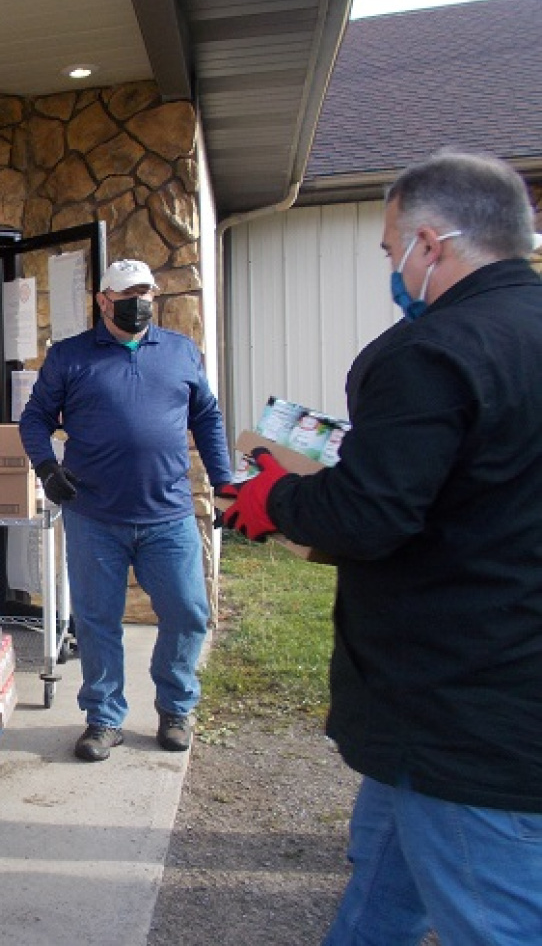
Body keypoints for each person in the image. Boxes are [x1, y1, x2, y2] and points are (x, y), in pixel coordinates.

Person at [222, 151, 542, 945]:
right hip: (480, 696)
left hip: (460, 709)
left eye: (391, 246)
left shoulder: (432, 350)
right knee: (381, 889)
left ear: (430, 244)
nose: (391, 265)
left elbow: (368, 514)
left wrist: (274, 497)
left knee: (493, 919)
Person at [19, 258, 232, 762]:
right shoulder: (70, 356)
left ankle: (176, 708)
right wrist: (47, 468)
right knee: (97, 621)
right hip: (94, 515)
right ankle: (104, 717)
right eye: (126, 295)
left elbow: (207, 417)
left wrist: (224, 483)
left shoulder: (181, 351)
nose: (138, 304)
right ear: (103, 301)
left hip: (169, 515)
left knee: (188, 612)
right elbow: (35, 418)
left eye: (145, 294)